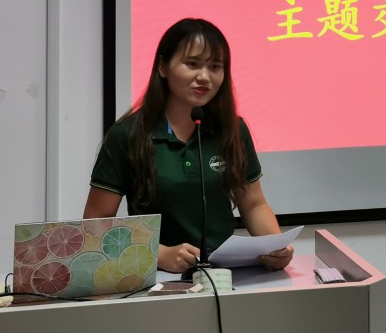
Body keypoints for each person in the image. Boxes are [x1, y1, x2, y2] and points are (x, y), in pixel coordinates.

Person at [83, 18, 293, 274]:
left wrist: (275, 247)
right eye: (192, 64)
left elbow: (253, 204)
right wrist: (158, 254)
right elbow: (96, 223)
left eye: (215, 67)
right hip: (157, 278)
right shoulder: (127, 134)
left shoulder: (233, 129)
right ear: (163, 67)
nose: (204, 77)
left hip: (226, 275)